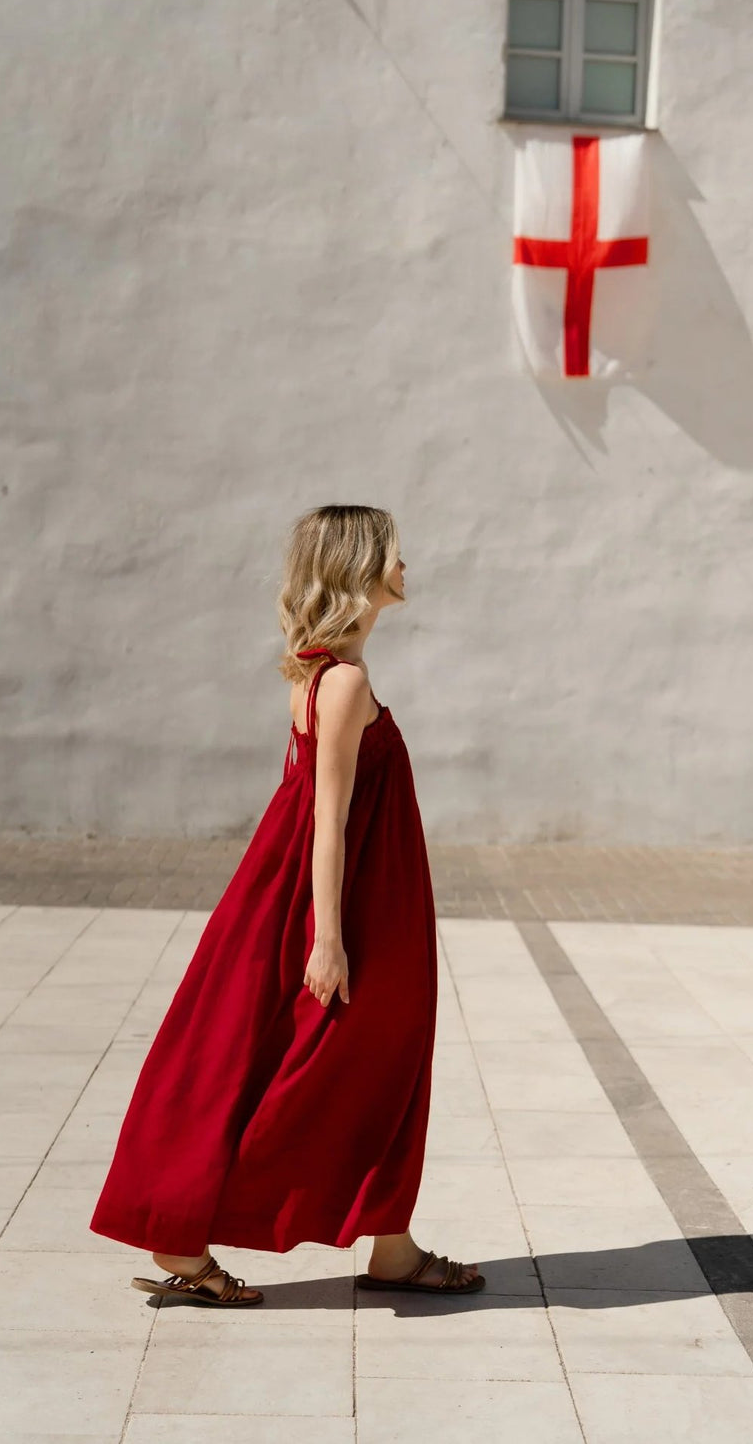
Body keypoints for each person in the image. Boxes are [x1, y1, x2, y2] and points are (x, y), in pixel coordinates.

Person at [89, 504, 485, 1304]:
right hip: (352, 911)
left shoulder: (318, 671)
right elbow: (327, 819)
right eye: (393, 554)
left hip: (353, 900)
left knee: (365, 1067)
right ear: (360, 570)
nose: (407, 565)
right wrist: (329, 939)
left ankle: (390, 1244)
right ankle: (202, 1230)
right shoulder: (342, 682)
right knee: (350, 1068)